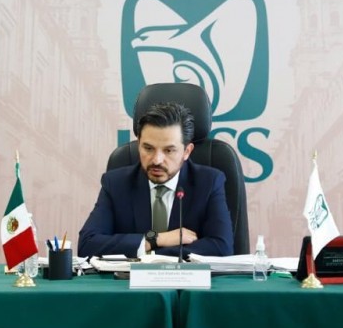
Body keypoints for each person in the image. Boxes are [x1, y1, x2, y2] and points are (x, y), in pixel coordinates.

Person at [78, 101, 234, 258]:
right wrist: (156, 239)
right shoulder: (116, 183)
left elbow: (222, 247)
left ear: (187, 151)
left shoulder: (209, 182)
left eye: (169, 150)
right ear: (138, 144)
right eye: (148, 148)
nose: (157, 160)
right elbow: (87, 244)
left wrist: (147, 252)